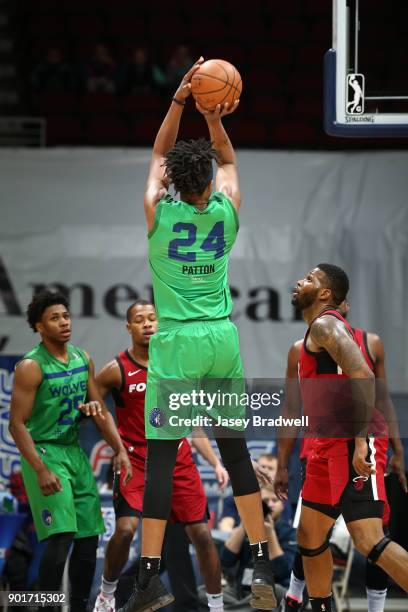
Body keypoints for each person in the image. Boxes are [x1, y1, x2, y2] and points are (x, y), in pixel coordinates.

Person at [118, 57, 277, 612]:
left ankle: (150, 580)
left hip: (177, 343)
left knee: (161, 459)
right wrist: (212, 115)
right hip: (221, 337)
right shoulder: (228, 214)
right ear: (210, 181)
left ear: (172, 184)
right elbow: (227, 157)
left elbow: (161, 153)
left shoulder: (157, 214)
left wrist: (180, 100)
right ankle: (261, 563)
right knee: (235, 453)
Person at [275, 263, 408, 612]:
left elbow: (362, 375)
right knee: (309, 535)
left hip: (351, 442)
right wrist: (281, 463)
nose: (298, 281)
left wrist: (361, 442)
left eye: (308, 278)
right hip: (324, 445)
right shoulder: (314, 333)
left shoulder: (325, 323)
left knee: (368, 540)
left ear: (324, 294)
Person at [93, 299, 229, 612]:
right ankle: (106, 596)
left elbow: (192, 424)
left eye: (152, 318)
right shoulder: (116, 370)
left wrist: (216, 463)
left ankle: (217, 606)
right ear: (129, 327)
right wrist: (114, 445)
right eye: (139, 319)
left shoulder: (178, 367)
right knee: (126, 531)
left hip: (177, 462)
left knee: (203, 537)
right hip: (136, 463)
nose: (148, 324)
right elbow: (93, 407)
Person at [9, 289, 132, 612]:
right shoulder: (31, 366)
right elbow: (17, 425)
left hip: (73, 451)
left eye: (65, 316)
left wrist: (118, 448)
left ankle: (78, 608)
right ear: (39, 326)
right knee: (61, 536)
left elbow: (100, 410)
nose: (64, 322)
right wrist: (39, 469)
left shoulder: (82, 358)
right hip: (45, 452)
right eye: (54, 318)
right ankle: (47, 607)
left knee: (89, 538)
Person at [220, 485, 297, 603]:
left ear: (282, 505)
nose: (270, 505)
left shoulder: (290, 533)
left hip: (273, 591)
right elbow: (225, 561)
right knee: (205, 593)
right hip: (242, 591)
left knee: (274, 593)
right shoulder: (246, 529)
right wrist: (244, 525)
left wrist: (270, 532)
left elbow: (282, 571)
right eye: (265, 501)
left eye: (274, 501)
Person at [219, 454, 278, 533]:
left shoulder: (284, 499)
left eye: (270, 468)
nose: (265, 471)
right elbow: (225, 527)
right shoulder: (236, 499)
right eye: (262, 467)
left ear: (278, 473)